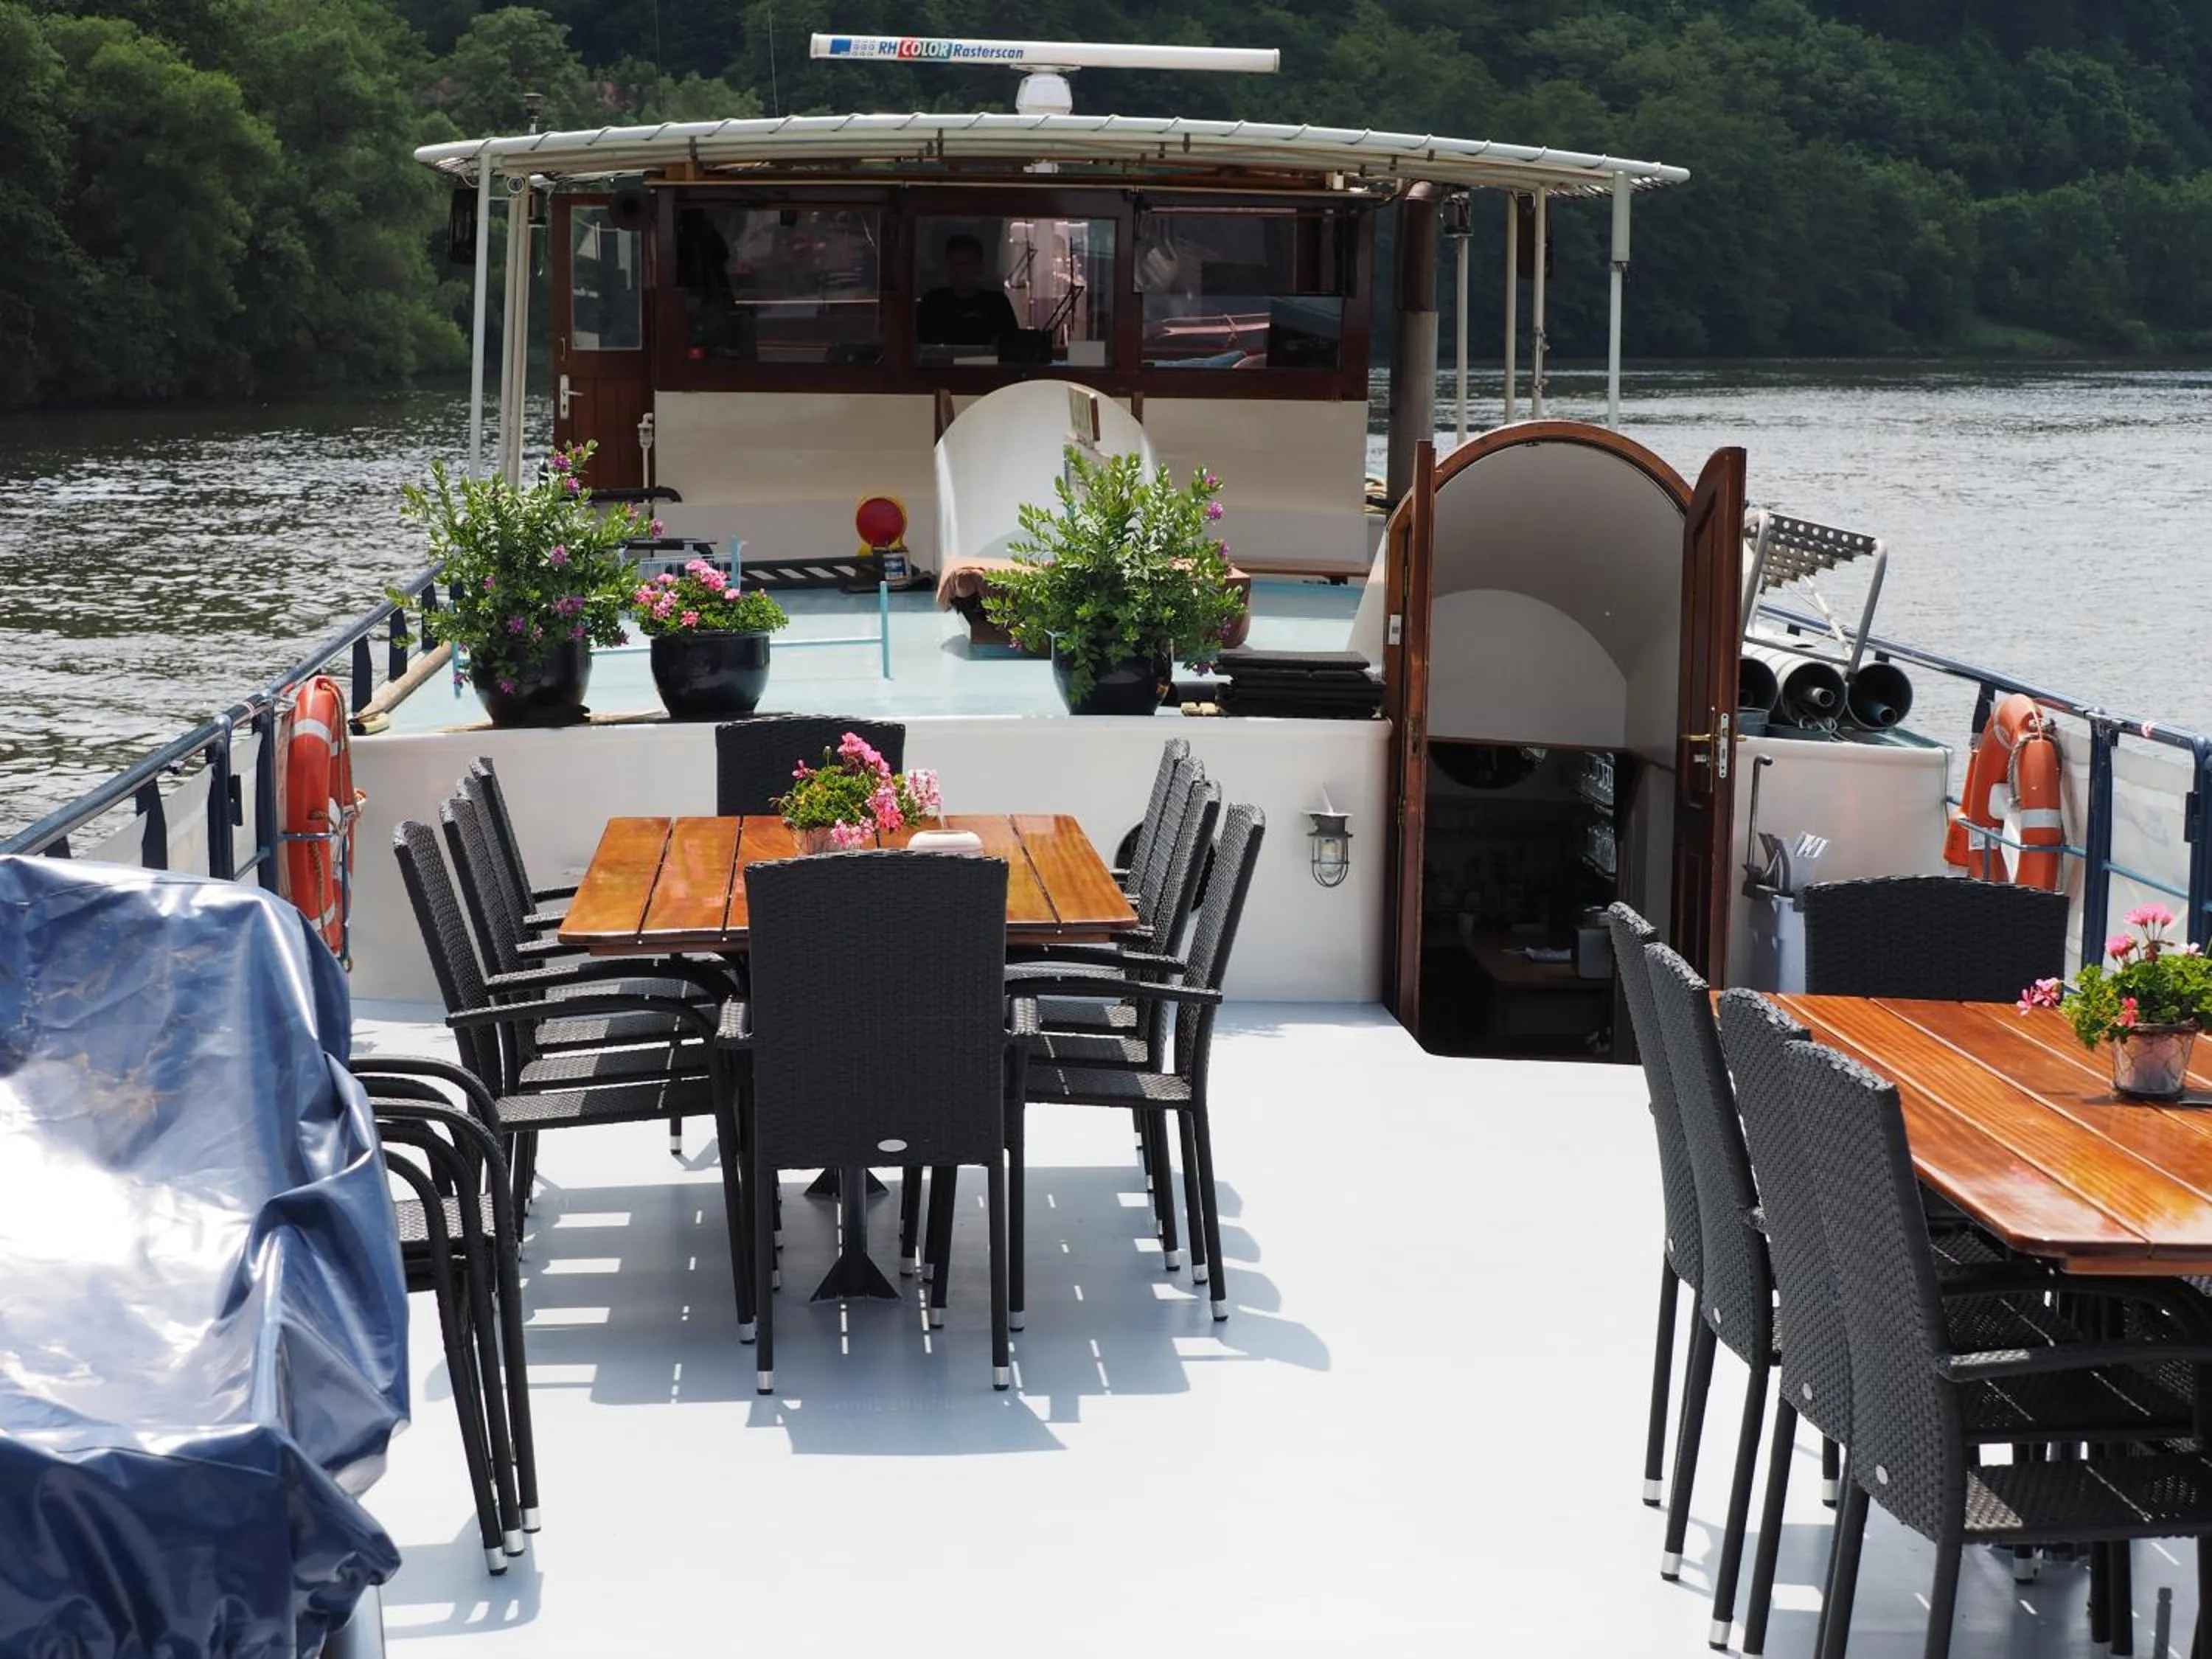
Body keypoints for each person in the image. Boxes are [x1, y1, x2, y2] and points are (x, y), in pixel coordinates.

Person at [917, 233, 1020, 349]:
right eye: (953, 265)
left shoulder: (997, 304)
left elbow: (1012, 348)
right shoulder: (932, 302)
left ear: (979, 267)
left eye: (964, 265)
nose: (958, 271)